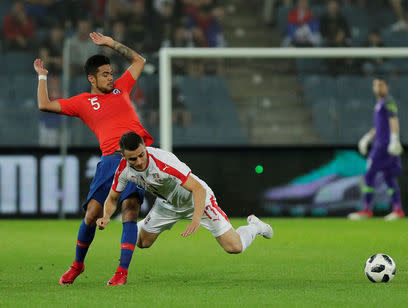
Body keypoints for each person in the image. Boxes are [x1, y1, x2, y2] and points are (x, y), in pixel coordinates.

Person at [33, 32, 153, 285]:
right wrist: (42, 77)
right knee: (91, 214)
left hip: (134, 159)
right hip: (109, 161)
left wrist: (111, 43)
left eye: (111, 73)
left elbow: (139, 60)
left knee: (130, 210)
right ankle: (78, 265)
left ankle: (122, 272)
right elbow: (44, 104)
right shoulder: (83, 102)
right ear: (92, 78)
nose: (111, 78)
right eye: (105, 75)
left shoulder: (122, 89)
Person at [96, 131, 273, 284]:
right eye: (133, 159)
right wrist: (105, 216)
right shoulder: (124, 170)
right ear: (123, 156)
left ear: (144, 147)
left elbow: (198, 188)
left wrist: (196, 218)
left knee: (234, 247)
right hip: (166, 205)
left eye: (142, 155)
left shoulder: (163, 161)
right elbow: (112, 199)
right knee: (143, 243)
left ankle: (255, 226)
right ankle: (137, 229)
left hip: (197, 201)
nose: (140, 161)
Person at [348, 78, 405, 221]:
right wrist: (367, 137)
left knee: (369, 175)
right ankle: (398, 210)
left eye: (382, 84)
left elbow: (394, 120)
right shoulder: (379, 104)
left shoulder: (388, 101)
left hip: (383, 146)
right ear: (373, 87)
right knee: (388, 176)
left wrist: (394, 139)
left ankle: (367, 209)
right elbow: (379, 126)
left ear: (387, 86)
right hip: (382, 144)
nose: (379, 87)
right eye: (376, 85)